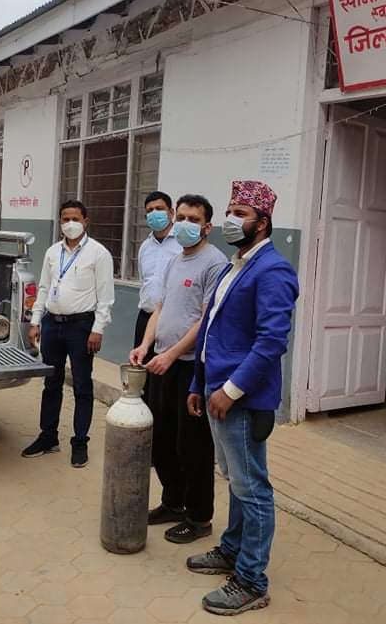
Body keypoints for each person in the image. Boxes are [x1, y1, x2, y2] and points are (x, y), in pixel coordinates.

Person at [185, 180, 299, 616]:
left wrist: (230, 391)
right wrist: (200, 384)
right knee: (236, 480)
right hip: (217, 391)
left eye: (240, 213)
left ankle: (252, 579)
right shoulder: (236, 265)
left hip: (243, 400)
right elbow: (213, 328)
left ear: (263, 223)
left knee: (253, 488)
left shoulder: (273, 270)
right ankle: (232, 549)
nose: (232, 220)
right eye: (230, 211)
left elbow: (271, 342)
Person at [129, 194, 227, 544]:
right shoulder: (174, 261)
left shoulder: (214, 263)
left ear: (207, 226)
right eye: (181, 216)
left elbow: (205, 321)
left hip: (190, 370)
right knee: (161, 441)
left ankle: (199, 517)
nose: (185, 223)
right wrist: (145, 344)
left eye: (193, 219)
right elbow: (160, 308)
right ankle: (173, 501)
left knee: (193, 447)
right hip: (162, 365)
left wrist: (172, 355)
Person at [22, 200, 115, 468]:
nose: (70, 223)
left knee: (83, 386)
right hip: (52, 324)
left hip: (81, 327)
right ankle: (48, 436)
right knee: (51, 382)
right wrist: (36, 320)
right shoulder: (53, 252)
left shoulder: (99, 254)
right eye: (65, 218)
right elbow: (43, 287)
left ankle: (80, 441)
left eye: (75, 218)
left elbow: (106, 298)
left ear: (86, 221)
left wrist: (97, 329)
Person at [135, 191, 182, 354]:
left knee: (164, 374)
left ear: (171, 212)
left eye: (159, 208)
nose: (154, 213)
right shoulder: (145, 246)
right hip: (146, 317)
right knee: (141, 373)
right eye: (150, 210)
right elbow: (145, 282)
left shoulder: (183, 243)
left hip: (172, 322)